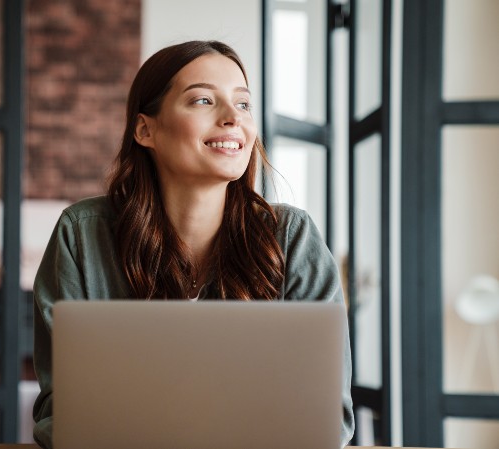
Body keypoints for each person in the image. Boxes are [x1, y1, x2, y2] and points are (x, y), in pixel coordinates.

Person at [32, 40, 355, 448]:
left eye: (243, 104)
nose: (231, 119)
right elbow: (58, 414)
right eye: (203, 100)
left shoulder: (292, 238)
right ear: (145, 129)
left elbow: (329, 418)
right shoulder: (81, 235)